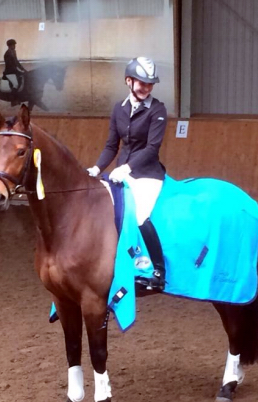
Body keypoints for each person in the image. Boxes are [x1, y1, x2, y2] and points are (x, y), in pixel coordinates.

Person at [87, 57, 167, 291]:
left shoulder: (157, 110)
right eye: (142, 83)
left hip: (147, 174)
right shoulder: (119, 109)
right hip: (122, 172)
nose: (146, 88)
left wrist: (127, 168)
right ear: (128, 81)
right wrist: (97, 168)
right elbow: (112, 145)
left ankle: (159, 271)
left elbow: (152, 148)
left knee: (141, 215)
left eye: (150, 84)